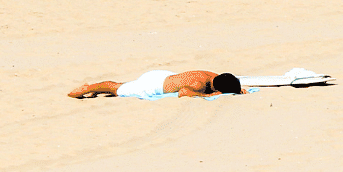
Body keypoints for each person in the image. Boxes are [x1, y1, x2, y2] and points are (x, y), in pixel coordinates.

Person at [69, 69, 243, 99]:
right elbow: (184, 93)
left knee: (125, 84)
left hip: (166, 76)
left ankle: (96, 90)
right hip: (156, 85)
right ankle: (89, 87)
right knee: (117, 88)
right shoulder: (198, 84)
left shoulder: (212, 75)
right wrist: (207, 95)